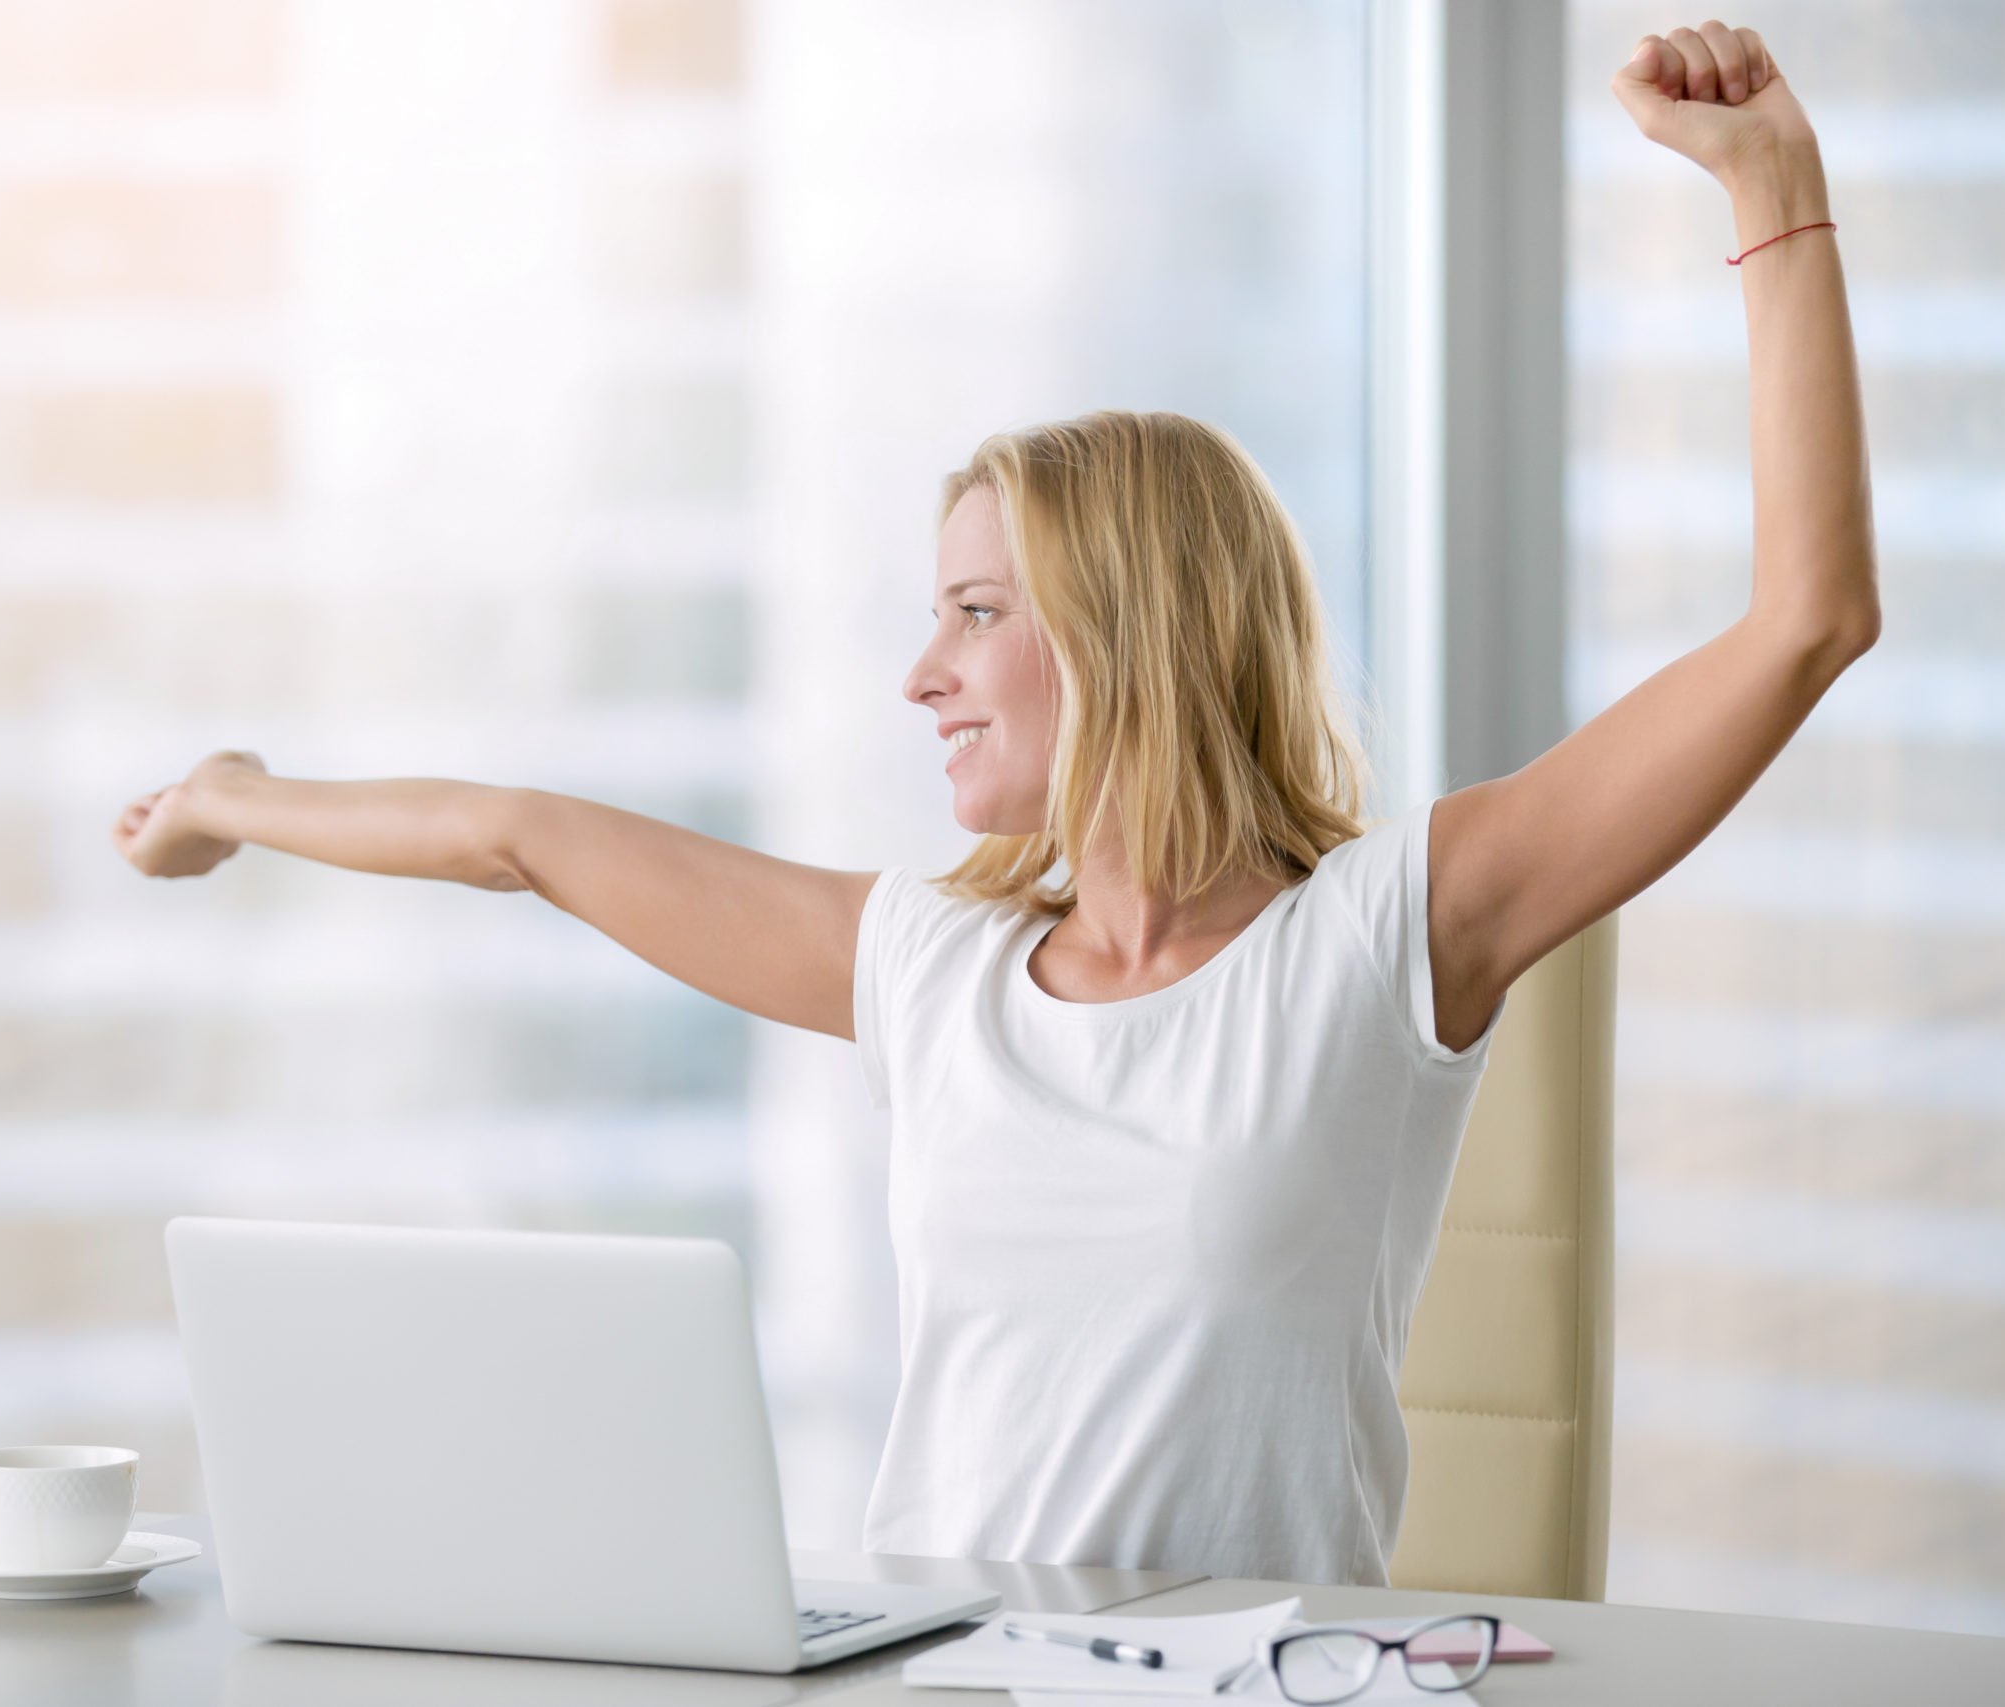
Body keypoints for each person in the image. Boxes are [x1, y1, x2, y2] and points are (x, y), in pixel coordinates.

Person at [113, 19, 1876, 1586]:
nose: (920, 674)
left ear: (1131, 632)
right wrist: (241, 798)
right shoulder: (932, 967)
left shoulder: (1385, 936)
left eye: (975, 613)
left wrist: (1772, 190)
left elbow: (1807, 623)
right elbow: (524, 838)